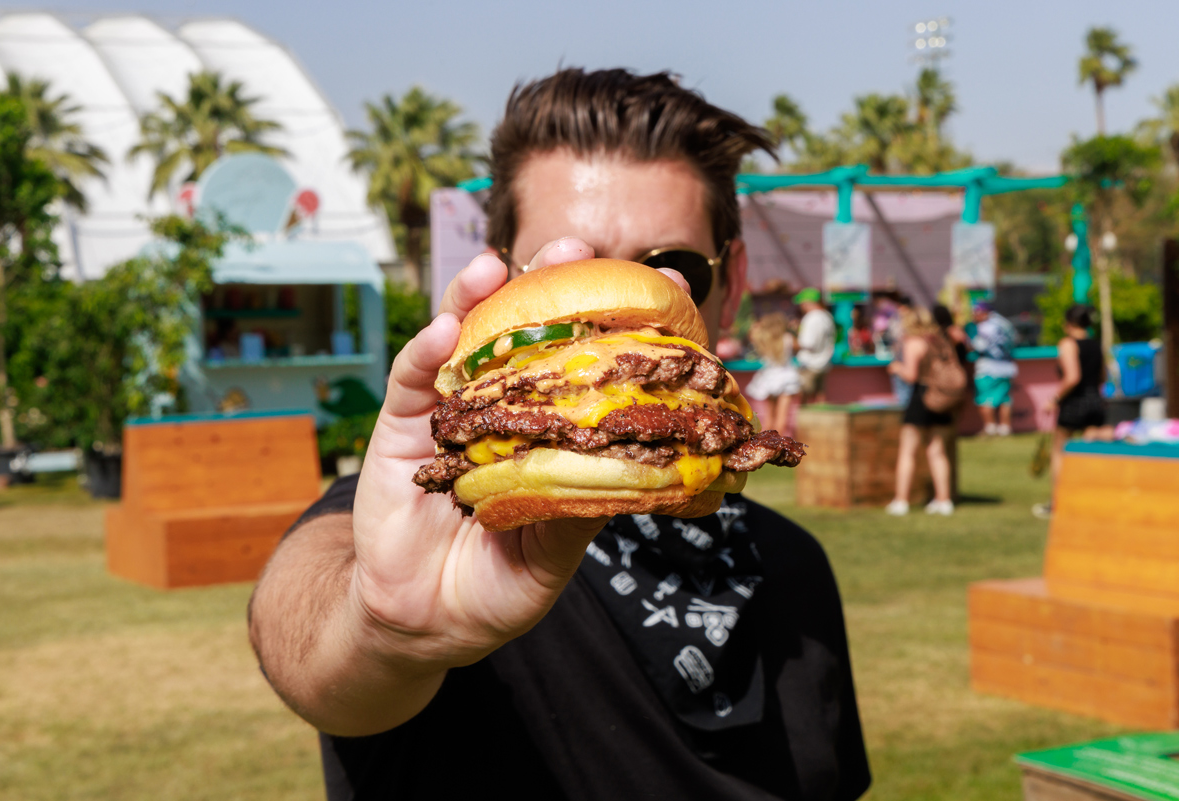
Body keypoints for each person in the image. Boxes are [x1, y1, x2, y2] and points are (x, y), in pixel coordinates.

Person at [248, 69, 870, 801]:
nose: (606, 328)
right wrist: (384, 628)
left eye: (673, 267)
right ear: (496, 276)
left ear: (729, 284)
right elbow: (303, 639)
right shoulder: (418, 522)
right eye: (564, 262)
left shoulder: (796, 565)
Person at [1033, 305, 1113, 519]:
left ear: (1068, 324)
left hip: (1075, 402)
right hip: (1095, 401)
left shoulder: (1068, 344)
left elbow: (1072, 377)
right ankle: (1093, 499)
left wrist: (1054, 400)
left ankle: (1058, 503)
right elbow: (1103, 377)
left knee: (1059, 451)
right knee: (1092, 450)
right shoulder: (1096, 344)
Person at [885, 307, 957, 516]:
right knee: (937, 451)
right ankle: (944, 500)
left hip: (922, 398)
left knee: (908, 451)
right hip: (942, 399)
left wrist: (897, 368)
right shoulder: (940, 341)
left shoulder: (914, 343)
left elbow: (911, 375)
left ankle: (901, 500)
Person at [746, 312, 800, 436]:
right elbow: (801, 346)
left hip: (769, 378)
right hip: (787, 377)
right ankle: (779, 442)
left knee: (768, 417)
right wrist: (794, 329)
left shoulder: (764, 339)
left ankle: (767, 442)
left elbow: (752, 334)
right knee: (782, 416)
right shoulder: (788, 338)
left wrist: (758, 327)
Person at [969, 300, 1018, 436]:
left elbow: (979, 346)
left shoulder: (984, 326)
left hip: (989, 368)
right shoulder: (1004, 323)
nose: (974, 315)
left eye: (976, 312)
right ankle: (1005, 428)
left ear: (985, 312)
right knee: (1004, 399)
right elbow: (1015, 339)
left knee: (985, 399)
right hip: (1007, 367)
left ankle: (990, 428)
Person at [794, 287, 836, 405]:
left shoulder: (812, 317)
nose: (801, 306)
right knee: (820, 397)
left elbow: (808, 344)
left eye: (802, 302)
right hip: (824, 362)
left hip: (810, 364)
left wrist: (789, 342)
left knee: (804, 397)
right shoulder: (827, 316)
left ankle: (805, 417)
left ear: (808, 302)